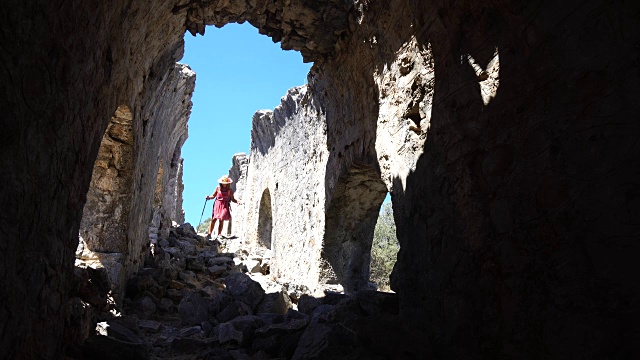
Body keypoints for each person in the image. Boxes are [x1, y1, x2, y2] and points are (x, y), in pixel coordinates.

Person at [205, 175, 241, 240]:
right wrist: (208, 197)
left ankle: (219, 234)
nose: (224, 185)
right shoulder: (218, 188)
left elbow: (232, 199)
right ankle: (209, 234)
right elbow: (213, 196)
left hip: (225, 205)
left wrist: (237, 201)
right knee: (214, 219)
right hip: (218, 204)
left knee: (222, 219)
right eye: (223, 183)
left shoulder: (230, 190)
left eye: (226, 183)